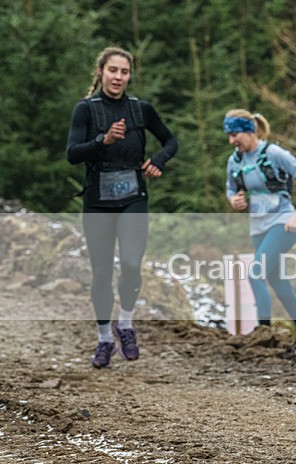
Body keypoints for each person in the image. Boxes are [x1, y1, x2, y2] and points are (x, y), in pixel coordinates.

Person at [66, 47, 178, 369]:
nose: (118, 77)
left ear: (130, 75)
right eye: (112, 70)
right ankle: (104, 339)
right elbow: (73, 154)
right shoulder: (86, 110)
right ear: (101, 72)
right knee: (101, 273)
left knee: (130, 264)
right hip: (98, 203)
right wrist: (103, 141)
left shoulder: (140, 109)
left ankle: (125, 324)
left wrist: (157, 161)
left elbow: (171, 141)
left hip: (133, 198)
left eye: (124, 72)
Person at [224, 109, 296, 333]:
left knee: (255, 274)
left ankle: (262, 332)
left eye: (234, 134)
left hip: (283, 223)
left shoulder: (274, 153)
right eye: (228, 135)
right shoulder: (234, 161)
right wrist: (233, 200)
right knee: (281, 286)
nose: (231, 141)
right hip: (257, 228)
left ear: (249, 131)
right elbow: (230, 188)